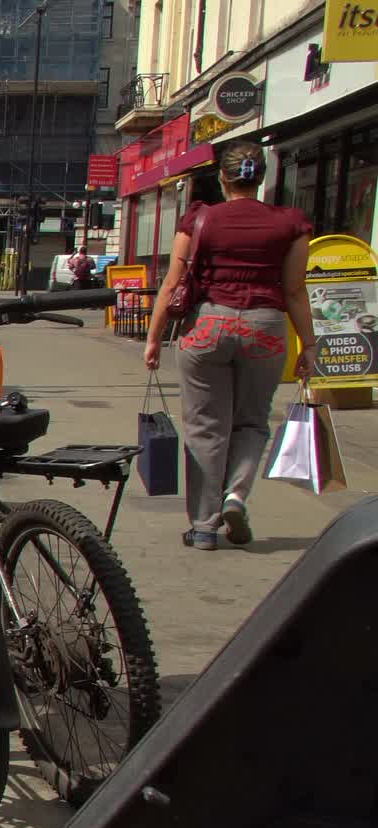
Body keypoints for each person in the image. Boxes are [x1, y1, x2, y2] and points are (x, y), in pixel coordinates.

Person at [143, 142, 318, 552]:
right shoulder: (291, 223)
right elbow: (294, 290)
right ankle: (236, 496)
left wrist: (154, 338)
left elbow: (172, 284)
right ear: (262, 179)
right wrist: (309, 345)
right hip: (265, 327)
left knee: (206, 426)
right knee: (252, 422)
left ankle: (204, 526)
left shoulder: (199, 219)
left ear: (223, 177)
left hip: (207, 324)